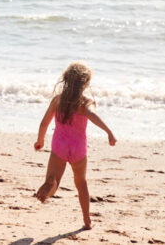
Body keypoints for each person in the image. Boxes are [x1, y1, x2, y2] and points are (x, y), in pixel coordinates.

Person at [34, 61, 117, 230]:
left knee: (55, 180)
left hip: (59, 146)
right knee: (81, 183)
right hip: (78, 149)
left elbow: (44, 123)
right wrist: (109, 132)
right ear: (85, 83)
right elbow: (92, 116)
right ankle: (87, 221)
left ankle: (50, 185)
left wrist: (40, 140)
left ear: (65, 80)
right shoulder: (86, 101)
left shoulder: (58, 100)